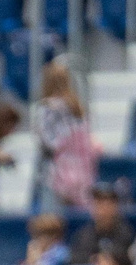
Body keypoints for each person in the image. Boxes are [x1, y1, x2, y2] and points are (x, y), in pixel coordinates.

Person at [33, 61, 97, 214]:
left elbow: (46, 142)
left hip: (55, 174)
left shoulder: (46, 108)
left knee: (52, 220)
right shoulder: (77, 108)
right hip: (82, 172)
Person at [68, 185, 135, 265]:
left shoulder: (127, 233)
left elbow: (126, 258)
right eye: (99, 203)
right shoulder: (83, 235)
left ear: (116, 207)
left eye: (109, 204)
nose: (104, 209)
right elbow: (75, 260)